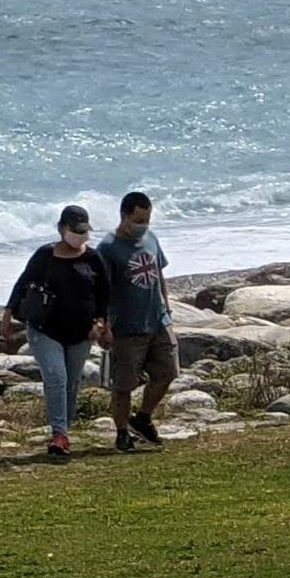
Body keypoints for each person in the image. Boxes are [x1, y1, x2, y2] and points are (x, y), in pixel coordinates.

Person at [9, 205, 119, 460]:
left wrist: (103, 325)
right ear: (61, 229)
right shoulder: (45, 256)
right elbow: (23, 283)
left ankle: (64, 432)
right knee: (56, 377)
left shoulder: (93, 259)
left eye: (84, 232)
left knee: (71, 383)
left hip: (82, 332)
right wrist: (8, 313)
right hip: (45, 330)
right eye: (75, 231)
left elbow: (104, 295)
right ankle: (58, 432)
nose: (80, 236)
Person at [93, 189, 178, 454]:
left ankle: (142, 418)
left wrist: (167, 305)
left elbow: (158, 273)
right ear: (124, 216)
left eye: (147, 220)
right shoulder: (107, 249)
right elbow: (99, 291)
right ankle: (121, 433)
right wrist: (103, 326)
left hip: (157, 320)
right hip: (126, 327)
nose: (143, 226)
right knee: (123, 384)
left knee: (167, 372)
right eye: (138, 220)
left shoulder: (151, 239)